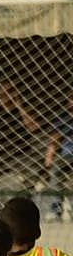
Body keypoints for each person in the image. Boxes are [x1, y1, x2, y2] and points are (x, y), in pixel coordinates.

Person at [44, 91, 73, 220]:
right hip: (67, 155)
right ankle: (56, 208)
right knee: (55, 170)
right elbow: (54, 139)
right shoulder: (63, 118)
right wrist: (49, 156)